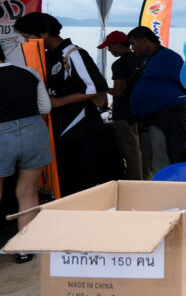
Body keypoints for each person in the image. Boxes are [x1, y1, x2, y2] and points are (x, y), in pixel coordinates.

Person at [0, 34, 52, 279]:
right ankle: (24, 250)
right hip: (34, 132)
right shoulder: (29, 72)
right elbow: (45, 108)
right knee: (27, 193)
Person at [13, 12, 115, 196]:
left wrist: (58, 102)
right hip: (59, 129)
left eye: (28, 37)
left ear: (44, 34)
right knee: (64, 180)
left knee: (80, 183)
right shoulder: (48, 56)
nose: (27, 42)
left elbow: (97, 87)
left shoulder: (73, 53)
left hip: (79, 128)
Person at [127, 26, 186, 175]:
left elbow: (184, 84)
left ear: (145, 40)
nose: (132, 48)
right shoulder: (148, 58)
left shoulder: (169, 57)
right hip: (151, 118)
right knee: (154, 157)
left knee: (164, 156)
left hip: (167, 116)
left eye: (133, 43)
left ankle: (168, 185)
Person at [99, 31, 146, 180]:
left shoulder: (119, 64)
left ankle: (134, 182)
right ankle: (146, 180)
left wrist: (103, 89)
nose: (109, 50)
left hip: (124, 113)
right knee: (144, 150)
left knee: (130, 152)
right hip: (143, 111)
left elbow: (119, 92)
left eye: (110, 47)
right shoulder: (143, 59)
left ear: (119, 45)